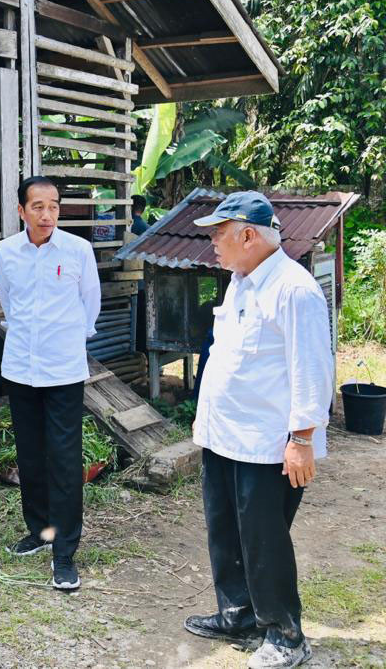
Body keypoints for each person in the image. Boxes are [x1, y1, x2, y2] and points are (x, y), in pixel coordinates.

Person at [185, 191, 333, 669]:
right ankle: (238, 616)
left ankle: (286, 635)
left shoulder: (294, 289)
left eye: (219, 235)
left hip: (268, 444)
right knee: (224, 531)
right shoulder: (240, 281)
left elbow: (312, 370)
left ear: (248, 235)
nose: (213, 245)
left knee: (263, 539)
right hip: (225, 435)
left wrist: (303, 441)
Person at [0, 176, 101, 591]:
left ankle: (64, 553)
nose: (47, 214)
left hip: (62, 372)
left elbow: (90, 306)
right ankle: (40, 532)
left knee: (63, 459)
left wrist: (64, 340)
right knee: (31, 456)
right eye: (37, 206)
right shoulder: (5, 252)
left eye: (53, 206)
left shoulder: (78, 250)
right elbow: (8, 302)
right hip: (20, 368)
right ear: (21, 211)